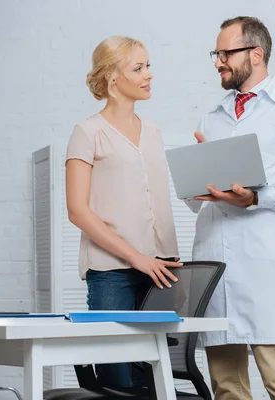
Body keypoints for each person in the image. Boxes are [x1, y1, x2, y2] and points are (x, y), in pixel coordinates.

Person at [184, 16, 275, 400]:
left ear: (256, 54)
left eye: (225, 53)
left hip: (261, 263)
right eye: (216, 54)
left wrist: (256, 198)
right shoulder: (211, 117)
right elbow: (193, 203)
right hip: (213, 264)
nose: (218, 62)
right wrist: (195, 180)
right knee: (227, 388)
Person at [65, 35, 182, 389]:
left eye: (149, 66)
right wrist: (136, 258)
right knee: (117, 380)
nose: (149, 75)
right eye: (139, 68)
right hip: (112, 271)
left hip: (163, 267)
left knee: (157, 377)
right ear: (114, 77)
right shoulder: (87, 133)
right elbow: (77, 210)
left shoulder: (155, 132)